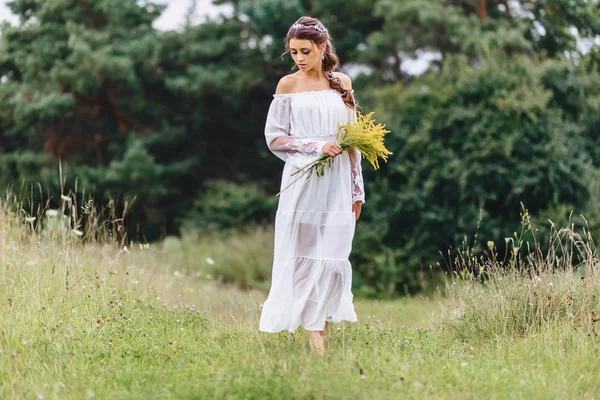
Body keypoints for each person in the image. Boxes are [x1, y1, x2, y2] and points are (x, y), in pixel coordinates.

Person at [259, 16, 365, 355]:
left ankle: (322, 328)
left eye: (305, 51)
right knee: (303, 254)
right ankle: (315, 338)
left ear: (322, 48)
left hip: (336, 184)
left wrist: (357, 190)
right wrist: (316, 146)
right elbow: (275, 138)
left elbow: (353, 142)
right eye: (293, 52)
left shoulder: (342, 83)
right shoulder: (287, 85)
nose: (299, 58)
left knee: (333, 255)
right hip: (303, 180)